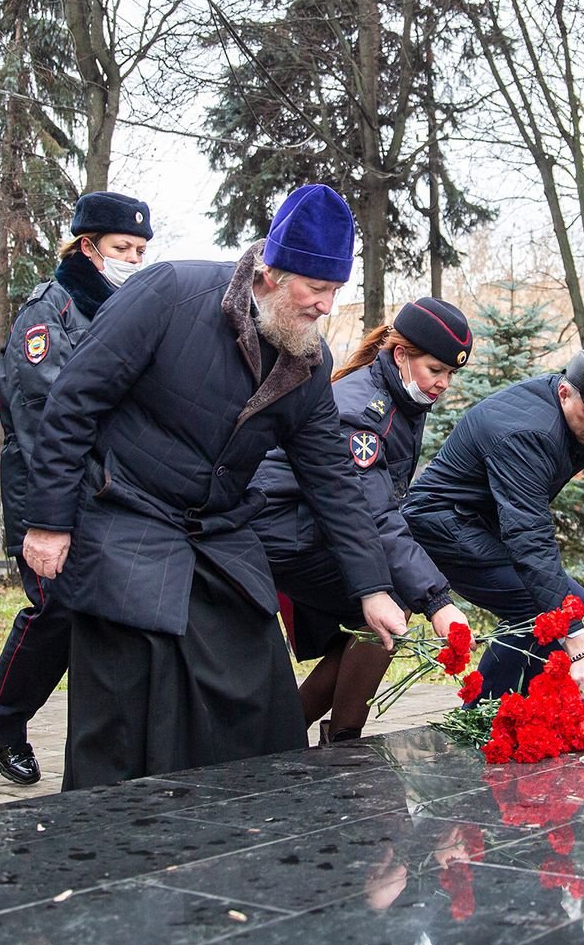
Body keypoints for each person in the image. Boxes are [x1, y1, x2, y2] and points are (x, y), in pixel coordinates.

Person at [21, 184, 414, 788]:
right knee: (130, 700)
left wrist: (370, 588)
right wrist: (48, 523)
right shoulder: (172, 293)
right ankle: (111, 843)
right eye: (317, 289)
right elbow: (73, 402)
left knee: (257, 680)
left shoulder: (303, 363)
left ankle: (239, 828)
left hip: (217, 531)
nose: (326, 307)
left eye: (336, 291)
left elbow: (333, 481)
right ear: (273, 272)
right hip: (122, 512)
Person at [0, 191, 154, 786]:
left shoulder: (135, 311)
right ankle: (2, 718)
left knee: (100, 615)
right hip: (50, 488)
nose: (133, 258)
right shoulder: (48, 314)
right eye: (121, 248)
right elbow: (50, 413)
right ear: (87, 247)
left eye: (141, 249)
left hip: (113, 489)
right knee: (58, 610)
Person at [248, 297, 475, 742]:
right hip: (283, 529)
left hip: (309, 525)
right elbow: (374, 514)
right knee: (389, 609)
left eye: (451, 374)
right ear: (401, 354)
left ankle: (284, 734)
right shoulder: (364, 412)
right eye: (436, 370)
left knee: (372, 620)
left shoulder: (396, 395)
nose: (444, 383)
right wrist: (438, 601)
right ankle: (342, 738)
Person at [402, 350, 584, 703]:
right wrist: (580, 649)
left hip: (476, 521)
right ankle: (489, 710)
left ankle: (528, 705)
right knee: (541, 609)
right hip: (441, 523)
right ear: (564, 393)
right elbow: (530, 537)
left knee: (566, 602)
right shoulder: (527, 432)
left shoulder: (581, 420)